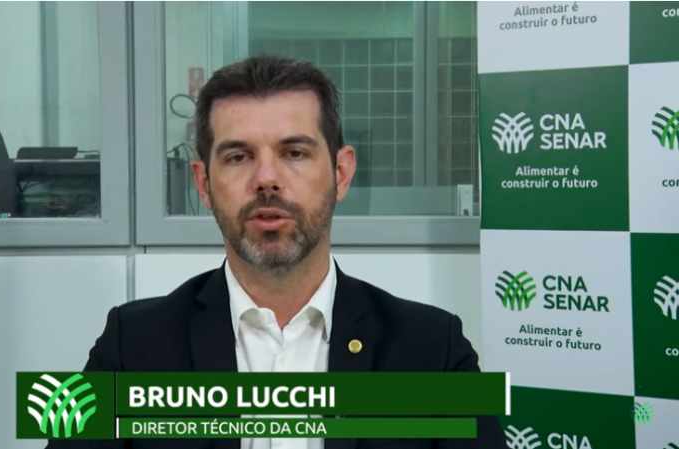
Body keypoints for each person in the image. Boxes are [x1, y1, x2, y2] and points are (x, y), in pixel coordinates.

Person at [46, 55, 505, 449]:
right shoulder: (130, 347)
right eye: (238, 157)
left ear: (341, 173)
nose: (267, 179)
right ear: (204, 183)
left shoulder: (433, 351)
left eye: (294, 153)